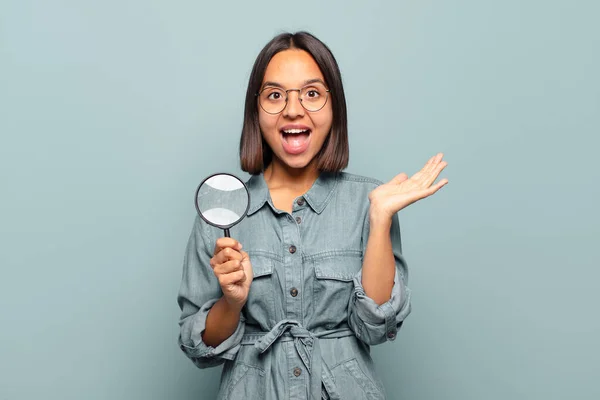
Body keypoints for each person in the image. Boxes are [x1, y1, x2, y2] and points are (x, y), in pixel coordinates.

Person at [177, 31, 448, 400]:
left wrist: (380, 218)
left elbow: (375, 328)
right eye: (275, 95)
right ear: (255, 110)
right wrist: (232, 302)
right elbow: (198, 347)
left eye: (312, 93)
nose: (293, 109)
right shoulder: (221, 213)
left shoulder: (368, 202)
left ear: (333, 106)